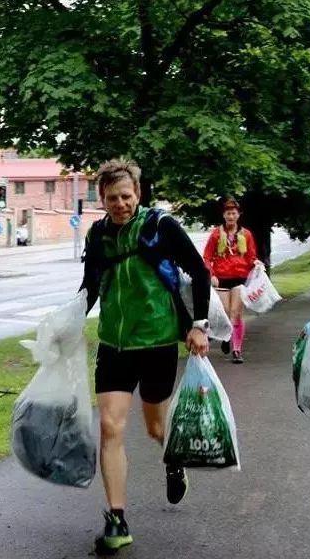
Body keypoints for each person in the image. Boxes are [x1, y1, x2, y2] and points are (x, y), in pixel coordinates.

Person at [79, 159, 211, 555]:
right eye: (112, 197)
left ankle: (173, 462)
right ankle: (117, 519)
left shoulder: (160, 226)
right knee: (110, 426)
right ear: (101, 199)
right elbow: (90, 286)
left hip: (156, 341)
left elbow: (199, 271)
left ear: (138, 194)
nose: (120, 204)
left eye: (126, 196)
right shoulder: (98, 235)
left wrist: (198, 325)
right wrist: (67, 323)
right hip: (114, 345)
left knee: (155, 428)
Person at [202, 198, 258, 363]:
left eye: (234, 213)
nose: (231, 216)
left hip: (240, 278)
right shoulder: (216, 234)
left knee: (236, 313)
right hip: (221, 279)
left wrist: (256, 263)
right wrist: (211, 274)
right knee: (226, 312)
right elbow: (207, 256)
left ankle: (236, 350)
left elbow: (251, 256)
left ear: (238, 215)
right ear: (224, 215)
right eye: (228, 213)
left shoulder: (246, 234)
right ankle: (226, 336)